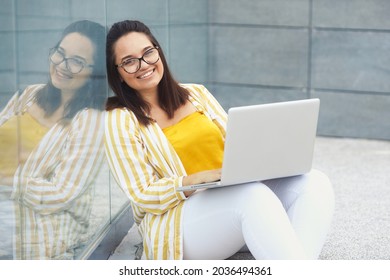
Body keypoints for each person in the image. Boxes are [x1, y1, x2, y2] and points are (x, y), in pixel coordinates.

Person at [104, 19, 335, 260]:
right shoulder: (119, 119)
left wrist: (266, 159)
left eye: (148, 53)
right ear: (118, 74)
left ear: (158, 52)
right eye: (129, 61)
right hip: (180, 222)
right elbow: (143, 193)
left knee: (314, 182)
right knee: (253, 196)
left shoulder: (196, 93)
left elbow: (235, 144)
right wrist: (193, 181)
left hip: (232, 198)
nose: (144, 65)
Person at [0, 20, 107, 259]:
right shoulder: (30, 94)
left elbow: (62, 193)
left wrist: (9, 181)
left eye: (77, 62)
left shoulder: (91, 121)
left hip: (28, 221)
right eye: (60, 53)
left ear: (95, 73)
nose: (62, 65)